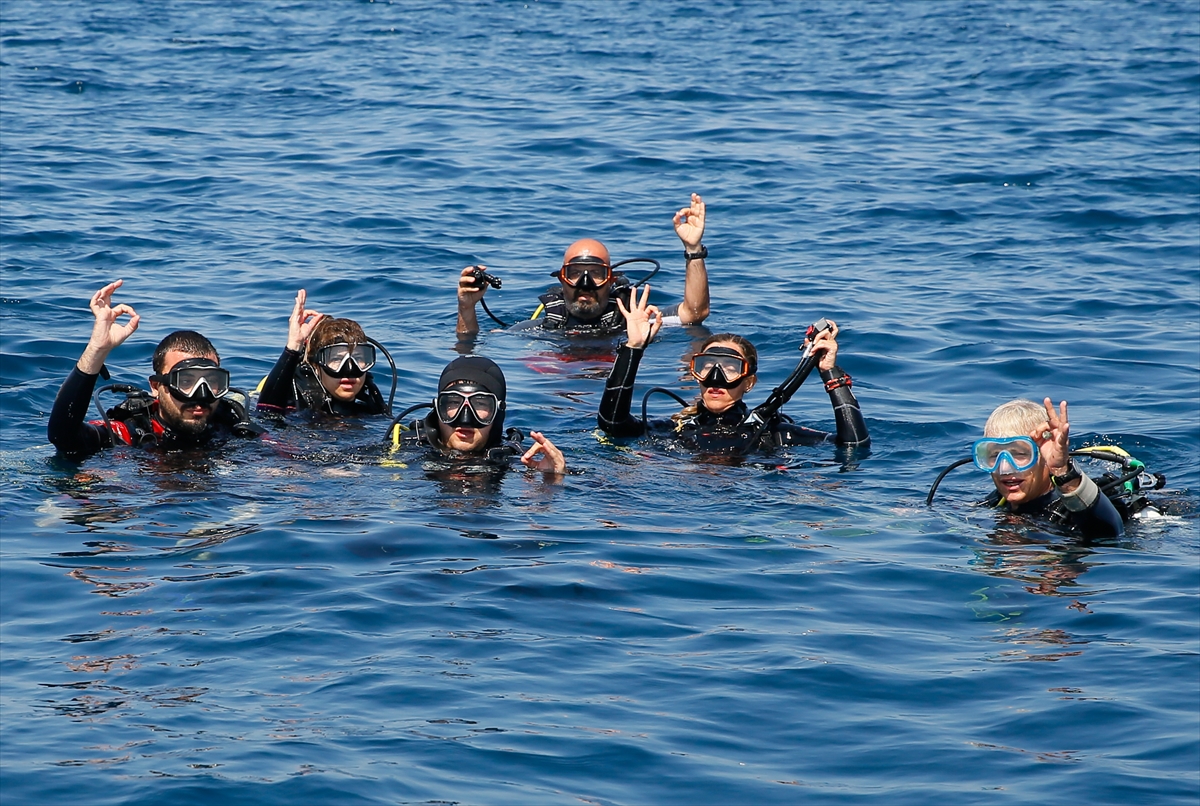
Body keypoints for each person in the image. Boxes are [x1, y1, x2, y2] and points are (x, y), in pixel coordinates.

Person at [597, 286, 870, 454]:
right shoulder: (675, 428)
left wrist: (829, 373)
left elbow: (853, 445)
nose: (716, 379)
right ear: (695, 373)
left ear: (748, 381)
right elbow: (613, 426)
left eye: (730, 369)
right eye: (706, 367)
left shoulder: (772, 432)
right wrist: (633, 348)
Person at [47, 280, 261, 458]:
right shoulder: (130, 433)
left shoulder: (231, 425)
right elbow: (64, 437)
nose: (201, 396)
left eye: (212, 383)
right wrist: (97, 350)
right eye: (186, 381)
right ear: (157, 386)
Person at [455, 192, 712, 336]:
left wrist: (693, 249)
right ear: (561, 279)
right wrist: (466, 308)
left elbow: (694, 314)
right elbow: (470, 344)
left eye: (597, 274)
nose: (585, 283)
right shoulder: (539, 329)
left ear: (612, 280)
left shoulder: (633, 321)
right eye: (575, 273)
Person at [972, 398, 1123, 539]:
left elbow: (1108, 535)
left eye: (1019, 454)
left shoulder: (1075, 509)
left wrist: (1062, 472)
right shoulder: (997, 501)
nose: (1005, 469)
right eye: (994, 455)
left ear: (1044, 454)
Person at [388, 356, 566, 475]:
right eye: (454, 403)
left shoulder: (518, 462)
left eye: (480, 404)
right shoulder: (403, 451)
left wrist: (554, 478)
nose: (465, 418)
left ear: (498, 413)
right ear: (438, 408)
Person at [256, 289, 389, 417]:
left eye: (358, 358)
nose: (349, 369)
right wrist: (294, 345)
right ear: (316, 366)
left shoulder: (370, 408)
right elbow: (268, 414)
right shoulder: (297, 406)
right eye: (337, 359)